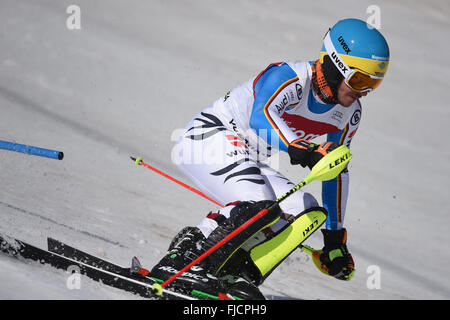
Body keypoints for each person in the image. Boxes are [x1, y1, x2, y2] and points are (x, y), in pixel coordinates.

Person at [150, 18, 390, 299]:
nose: (363, 91)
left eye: (374, 83)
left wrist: (334, 237)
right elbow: (261, 117)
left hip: (248, 158)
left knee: (305, 210)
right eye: (360, 79)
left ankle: (233, 272)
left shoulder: (349, 113)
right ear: (335, 65)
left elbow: (336, 170)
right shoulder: (290, 77)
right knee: (259, 201)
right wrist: (302, 149)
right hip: (208, 137)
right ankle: (186, 257)